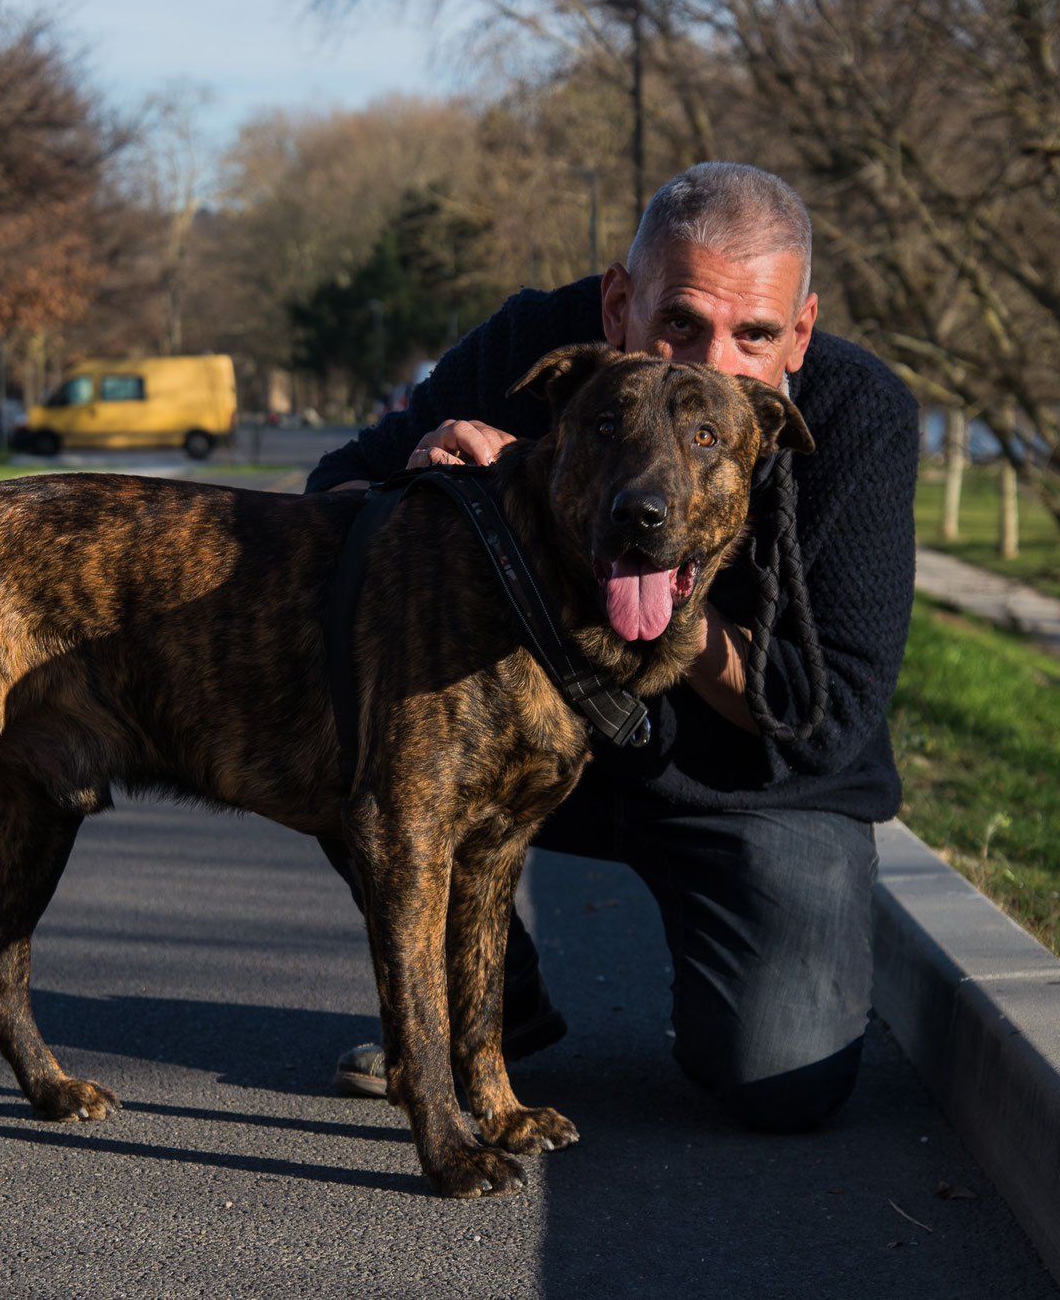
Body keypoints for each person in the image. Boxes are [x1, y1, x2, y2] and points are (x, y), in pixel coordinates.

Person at [308, 163, 918, 1133]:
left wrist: (679, 612)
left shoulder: (856, 417)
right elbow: (329, 498)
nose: (714, 363)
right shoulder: (532, 347)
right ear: (617, 301)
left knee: (782, 1078)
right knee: (347, 738)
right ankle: (486, 1004)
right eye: (678, 322)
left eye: (753, 335)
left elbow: (828, 717)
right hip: (529, 748)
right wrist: (425, 500)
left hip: (751, 788)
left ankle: (722, 993)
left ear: (798, 331)